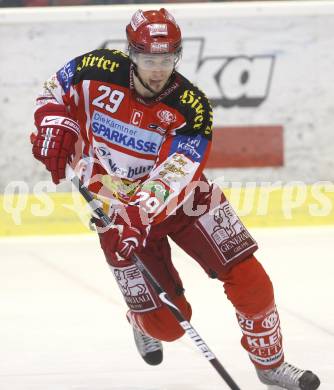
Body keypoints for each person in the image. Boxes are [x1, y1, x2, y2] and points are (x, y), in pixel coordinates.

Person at [31, 8, 320, 390]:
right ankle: (139, 320)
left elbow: (177, 171)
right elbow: (53, 92)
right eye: (149, 59)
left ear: (177, 56)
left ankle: (270, 365)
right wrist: (54, 122)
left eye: (166, 59)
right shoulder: (92, 68)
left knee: (252, 282)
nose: (157, 69)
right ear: (132, 53)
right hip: (114, 211)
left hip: (185, 200)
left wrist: (139, 214)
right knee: (169, 326)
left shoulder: (191, 106)